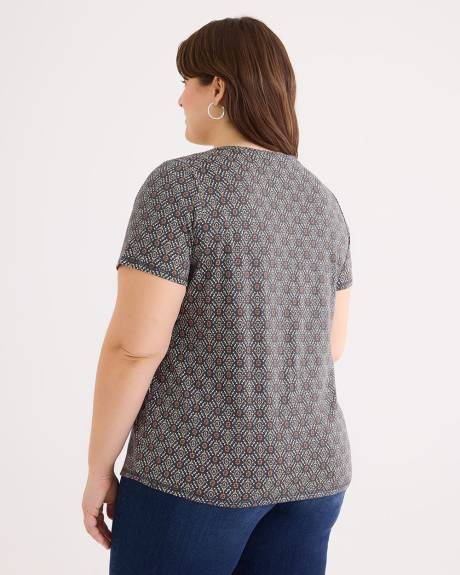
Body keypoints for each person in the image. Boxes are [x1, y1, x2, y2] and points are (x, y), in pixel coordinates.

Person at [82, 15, 353, 575]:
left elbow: (134, 348)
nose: (180, 97)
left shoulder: (178, 187)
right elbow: (330, 346)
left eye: (188, 81)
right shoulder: (323, 202)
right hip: (313, 470)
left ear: (219, 90)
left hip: (196, 474)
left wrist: (98, 468)